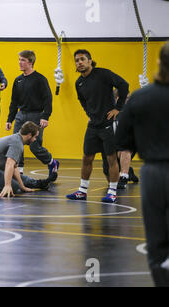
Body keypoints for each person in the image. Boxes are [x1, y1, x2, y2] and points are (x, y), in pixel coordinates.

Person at [116, 41, 169, 286]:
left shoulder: (139, 98)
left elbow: (122, 140)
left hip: (155, 172)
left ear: (158, 62)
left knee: (157, 237)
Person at [66, 49, 129, 203]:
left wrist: (118, 108)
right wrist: (89, 112)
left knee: (111, 159)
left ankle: (112, 192)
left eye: (82, 59)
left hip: (108, 124)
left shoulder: (103, 74)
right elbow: (82, 100)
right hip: (93, 125)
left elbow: (124, 85)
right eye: (77, 60)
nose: (79, 62)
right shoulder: (79, 82)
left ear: (89, 61)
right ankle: (82, 191)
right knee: (87, 157)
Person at [6, 50, 59, 176]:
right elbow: (14, 101)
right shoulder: (18, 80)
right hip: (21, 115)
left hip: (36, 116)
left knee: (35, 146)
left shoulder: (40, 79)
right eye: (19, 60)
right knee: (16, 143)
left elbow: (48, 99)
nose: (20, 62)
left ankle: (51, 162)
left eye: (23, 60)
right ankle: (19, 173)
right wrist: (9, 119)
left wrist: (45, 116)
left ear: (31, 62)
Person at [0, 121, 57, 197]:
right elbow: (9, 164)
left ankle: (40, 183)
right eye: (35, 137)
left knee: (22, 180)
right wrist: (8, 185)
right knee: (14, 187)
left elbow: (14, 167)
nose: (35, 140)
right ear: (29, 135)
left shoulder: (17, 139)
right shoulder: (17, 143)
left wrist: (22, 186)